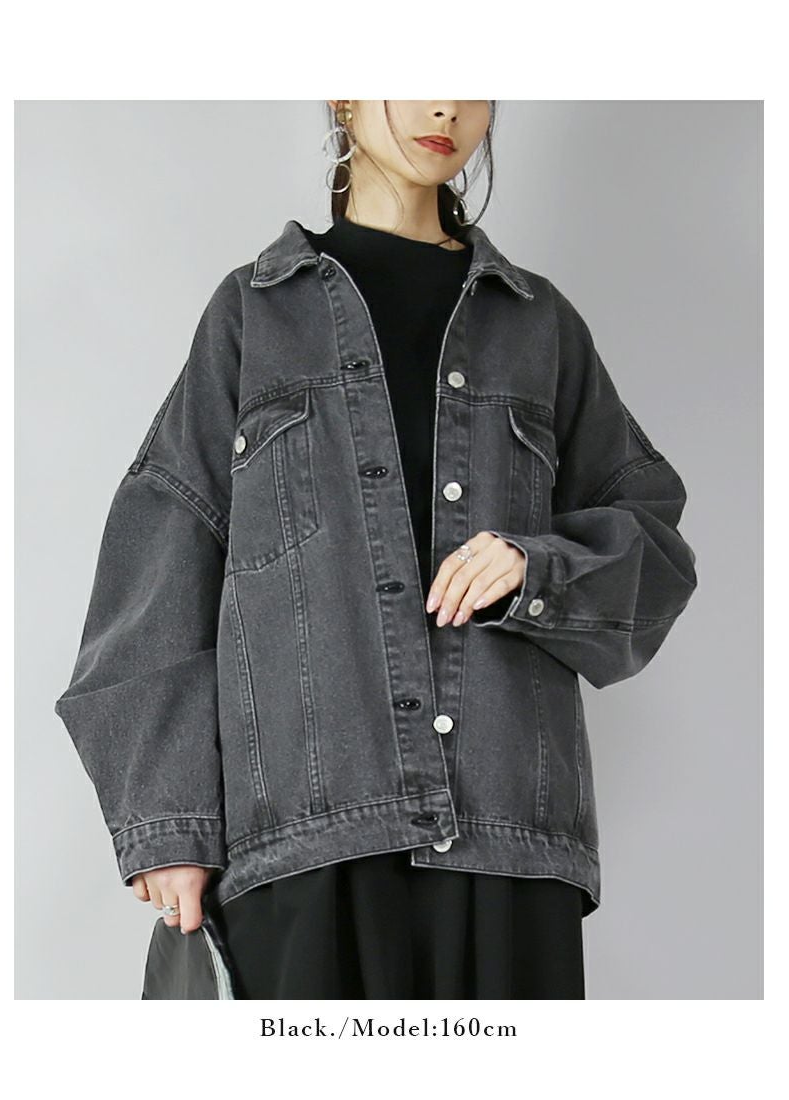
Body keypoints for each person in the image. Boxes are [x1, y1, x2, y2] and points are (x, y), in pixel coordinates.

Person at [54, 100, 698, 999]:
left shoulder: (538, 324)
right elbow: (159, 562)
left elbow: (653, 542)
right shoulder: (256, 314)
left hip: (508, 836)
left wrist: (537, 567)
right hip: (307, 837)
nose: (445, 106)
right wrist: (170, 825)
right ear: (344, 94)